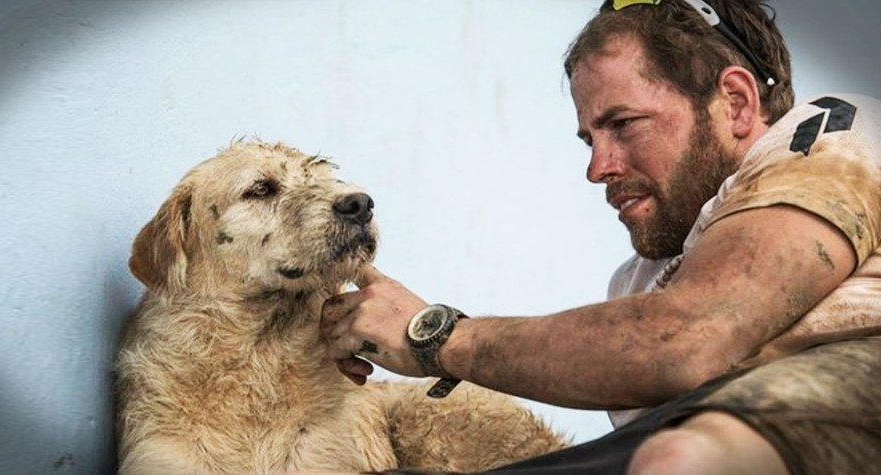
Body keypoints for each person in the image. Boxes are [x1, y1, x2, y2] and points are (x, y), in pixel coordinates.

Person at [319, 0, 881, 473]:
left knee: (685, 458)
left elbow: (684, 341)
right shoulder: (640, 282)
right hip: (693, 430)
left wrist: (435, 338)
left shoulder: (831, 136)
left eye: (623, 124)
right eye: (589, 138)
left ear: (734, 102)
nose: (599, 167)